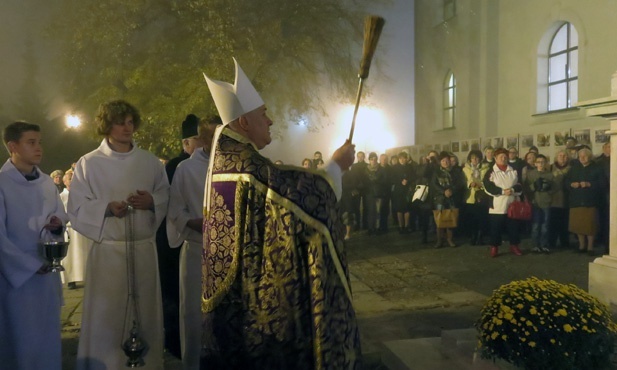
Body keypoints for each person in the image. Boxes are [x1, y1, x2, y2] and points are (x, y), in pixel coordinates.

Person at [202, 58, 360, 369]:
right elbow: (299, 196)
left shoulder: (228, 162)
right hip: (252, 309)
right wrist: (335, 168)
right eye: (263, 115)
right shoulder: (245, 167)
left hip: (236, 302)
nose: (271, 121)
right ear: (244, 123)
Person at [68, 100, 169, 369]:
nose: (127, 127)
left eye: (130, 122)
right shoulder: (89, 164)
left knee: (145, 317)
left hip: (143, 250)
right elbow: (76, 207)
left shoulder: (150, 162)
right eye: (120, 122)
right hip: (108, 253)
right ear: (106, 125)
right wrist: (106, 209)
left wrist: (152, 202)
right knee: (106, 318)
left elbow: (166, 195)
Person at [0, 121, 67, 369]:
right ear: (13, 146)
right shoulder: (2, 184)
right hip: (16, 279)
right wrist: (29, 265)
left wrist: (58, 224)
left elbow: (60, 215)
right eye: (31, 143)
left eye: (39, 142)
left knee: (47, 340)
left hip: (46, 274)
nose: (39, 148)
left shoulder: (47, 182)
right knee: (20, 342)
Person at [167, 116, 221, 370]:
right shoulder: (185, 170)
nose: (217, 141)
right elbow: (175, 210)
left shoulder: (235, 166)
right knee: (194, 317)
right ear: (202, 139)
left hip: (228, 253)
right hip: (197, 250)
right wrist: (192, 222)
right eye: (211, 136)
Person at [156, 113, 202, 357]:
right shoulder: (176, 166)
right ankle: (174, 341)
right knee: (175, 293)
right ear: (186, 143)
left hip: (197, 237)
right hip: (174, 239)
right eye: (197, 138)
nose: (203, 143)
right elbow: (172, 204)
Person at [483, 147, 524, 258]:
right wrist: (502, 191)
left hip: (512, 204)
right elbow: (487, 186)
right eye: (501, 157)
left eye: (505, 157)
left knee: (513, 227)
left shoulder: (513, 171)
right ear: (495, 158)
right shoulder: (491, 172)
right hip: (497, 205)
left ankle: (514, 245)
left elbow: (519, 185)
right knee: (495, 228)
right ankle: (494, 247)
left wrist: (512, 190)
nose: (503, 158)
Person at [565, 147, 604, 256]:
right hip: (576, 201)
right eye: (580, 156)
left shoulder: (597, 168)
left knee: (590, 226)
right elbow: (566, 182)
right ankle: (581, 246)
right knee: (578, 225)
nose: (582, 158)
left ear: (590, 157)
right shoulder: (574, 168)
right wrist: (571, 184)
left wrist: (589, 184)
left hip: (590, 201)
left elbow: (603, 184)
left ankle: (590, 247)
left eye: (584, 156)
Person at [59, 170, 92, 290]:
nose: (72, 181)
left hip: (82, 228)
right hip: (69, 229)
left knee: (83, 253)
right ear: (64, 181)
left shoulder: (82, 195)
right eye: (69, 178)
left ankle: (86, 276)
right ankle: (70, 279)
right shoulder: (61, 196)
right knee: (70, 256)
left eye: (74, 178)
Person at [525, 154, 554, 253]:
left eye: (542, 162)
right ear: (535, 163)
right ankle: (535, 245)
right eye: (538, 162)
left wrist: (548, 187)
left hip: (546, 202)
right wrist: (534, 186)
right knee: (536, 225)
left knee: (545, 225)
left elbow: (554, 189)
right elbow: (527, 189)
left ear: (546, 163)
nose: (540, 164)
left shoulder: (550, 174)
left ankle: (544, 245)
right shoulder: (531, 174)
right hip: (535, 202)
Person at [430, 151, 459, 247]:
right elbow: (434, 184)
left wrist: (451, 190)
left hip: (451, 198)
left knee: (450, 219)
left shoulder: (454, 172)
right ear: (440, 162)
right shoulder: (436, 172)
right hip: (440, 199)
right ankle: (439, 240)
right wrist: (444, 191)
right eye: (443, 161)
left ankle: (450, 239)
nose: (445, 163)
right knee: (439, 220)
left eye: (446, 160)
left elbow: (458, 183)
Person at [462, 149, 489, 245]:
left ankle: (480, 237)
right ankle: (473, 237)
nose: (475, 160)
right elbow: (463, 180)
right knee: (472, 218)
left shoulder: (486, 168)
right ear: (470, 159)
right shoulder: (465, 169)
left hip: (482, 195)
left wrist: (481, 184)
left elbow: (488, 180)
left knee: (481, 218)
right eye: (473, 158)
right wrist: (470, 184)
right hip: (470, 196)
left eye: (477, 158)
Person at [548, 150, 571, 249]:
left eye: (565, 155)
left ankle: (564, 242)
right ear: (556, 157)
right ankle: (551, 242)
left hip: (566, 199)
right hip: (553, 199)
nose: (562, 157)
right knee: (552, 222)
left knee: (565, 223)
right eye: (560, 155)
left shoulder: (571, 168)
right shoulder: (550, 168)